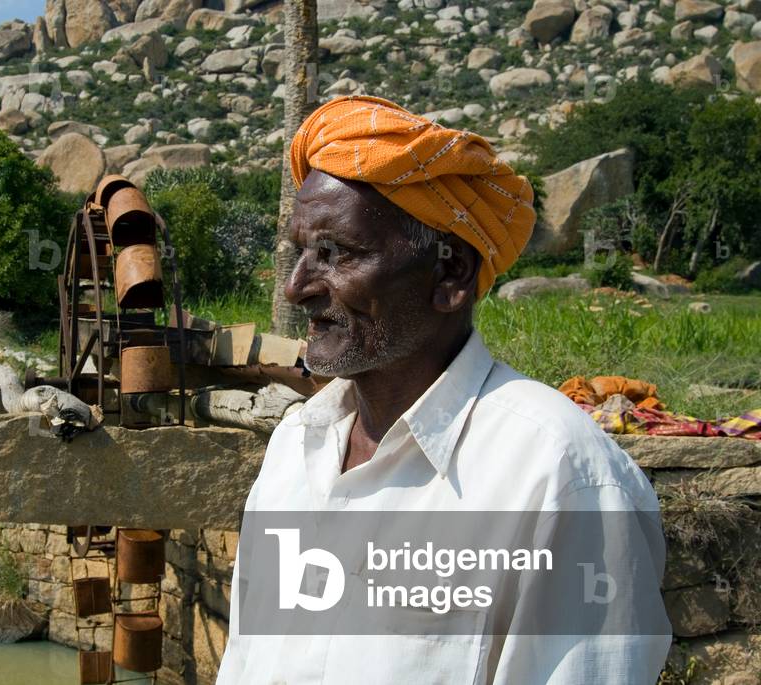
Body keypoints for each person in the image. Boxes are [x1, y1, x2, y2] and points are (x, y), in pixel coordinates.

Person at [216, 95, 671, 684]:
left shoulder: (559, 477)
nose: (296, 289)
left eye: (336, 254)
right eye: (301, 252)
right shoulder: (295, 448)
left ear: (449, 274)